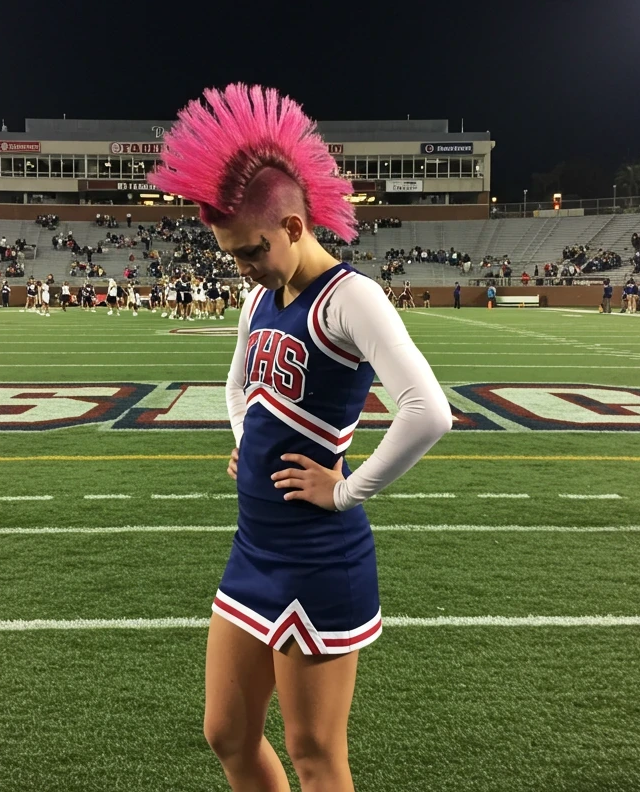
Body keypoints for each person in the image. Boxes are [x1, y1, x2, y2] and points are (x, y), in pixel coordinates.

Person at [146, 83, 452, 792]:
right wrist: (243, 438)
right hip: (253, 547)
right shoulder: (260, 295)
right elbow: (234, 385)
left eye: (250, 250)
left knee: (314, 753)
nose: (241, 268)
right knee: (225, 732)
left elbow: (427, 410)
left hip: (320, 559)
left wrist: (346, 490)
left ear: (291, 225)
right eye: (231, 256)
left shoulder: (352, 298)